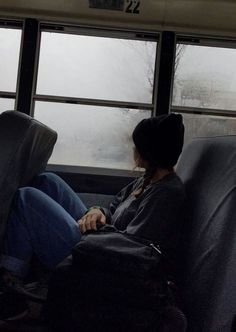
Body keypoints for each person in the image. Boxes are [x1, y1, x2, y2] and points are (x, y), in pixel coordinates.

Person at [0, 113, 186, 319]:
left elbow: (135, 249)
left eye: (139, 145)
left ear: (151, 150)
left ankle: (11, 284)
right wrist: (97, 211)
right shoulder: (146, 180)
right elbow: (114, 206)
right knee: (47, 181)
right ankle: (30, 271)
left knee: (26, 198)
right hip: (101, 238)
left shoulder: (166, 193)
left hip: (101, 257)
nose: (134, 150)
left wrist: (95, 229)